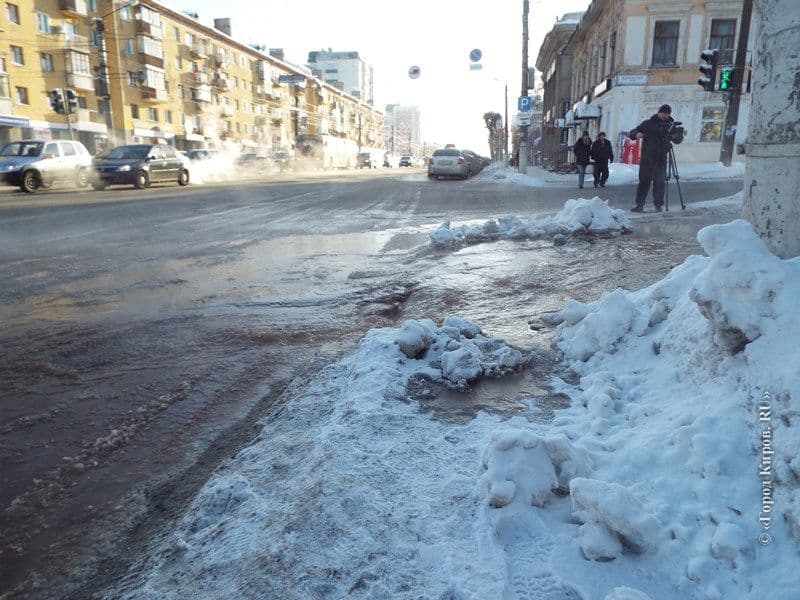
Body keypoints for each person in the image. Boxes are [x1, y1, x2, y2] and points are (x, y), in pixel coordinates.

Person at [628, 104, 684, 212]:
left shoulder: (671, 126)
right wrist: (636, 134)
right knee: (644, 182)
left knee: (659, 183)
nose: (665, 116)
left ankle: (658, 205)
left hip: (661, 159)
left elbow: (677, 141)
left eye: (667, 114)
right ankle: (639, 205)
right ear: (659, 113)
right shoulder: (648, 124)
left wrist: (678, 136)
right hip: (647, 159)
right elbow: (633, 133)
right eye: (663, 113)